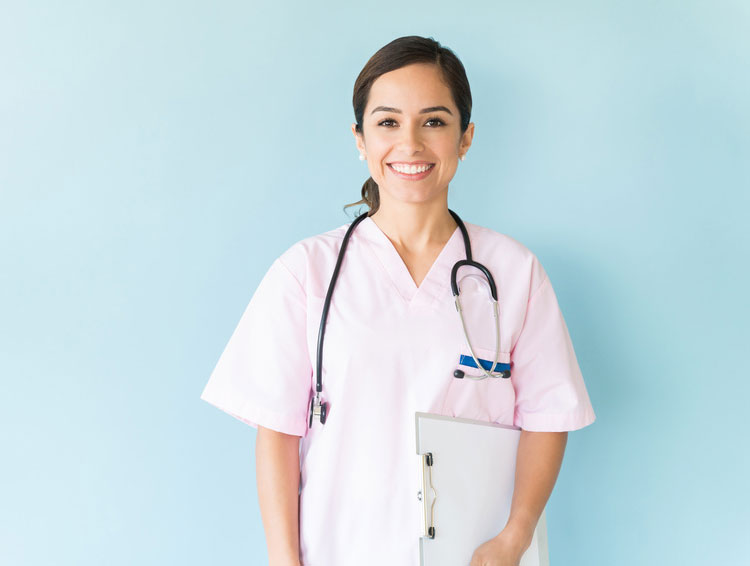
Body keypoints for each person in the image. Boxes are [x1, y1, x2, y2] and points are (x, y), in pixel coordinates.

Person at [200, 35, 596, 566]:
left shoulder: (512, 272)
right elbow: (278, 431)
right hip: (339, 551)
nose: (410, 144)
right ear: (360, 139)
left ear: (466, 137)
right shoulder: (307, 272)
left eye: (434, 121)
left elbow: (549, 416)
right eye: (387, 122)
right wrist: (283, 560)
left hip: (474, 555)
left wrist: (514, 537)